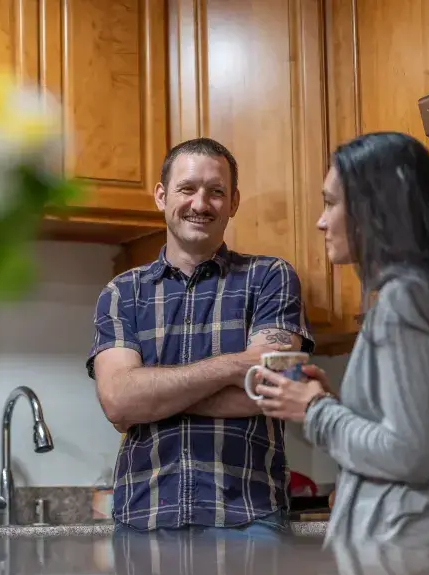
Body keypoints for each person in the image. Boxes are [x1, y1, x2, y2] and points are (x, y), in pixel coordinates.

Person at [253, 132, 429, 575]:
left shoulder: (405, 300)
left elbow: (406, 453)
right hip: (427, 574)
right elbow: (414, 439)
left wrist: (315, 411)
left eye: (331, 203)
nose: (320, 221)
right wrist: (333, 406)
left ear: (374, 209)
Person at [87, 138, 314, 534]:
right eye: (187, 189)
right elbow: (119, 403)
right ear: (161, 195)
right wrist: (236, 365)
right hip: (145, 518)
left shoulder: (270, 278)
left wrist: (154, 397)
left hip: (249, 517)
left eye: (216, 192)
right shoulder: (122, 293)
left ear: (234, 202)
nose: (200, 203)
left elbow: (277, 390)